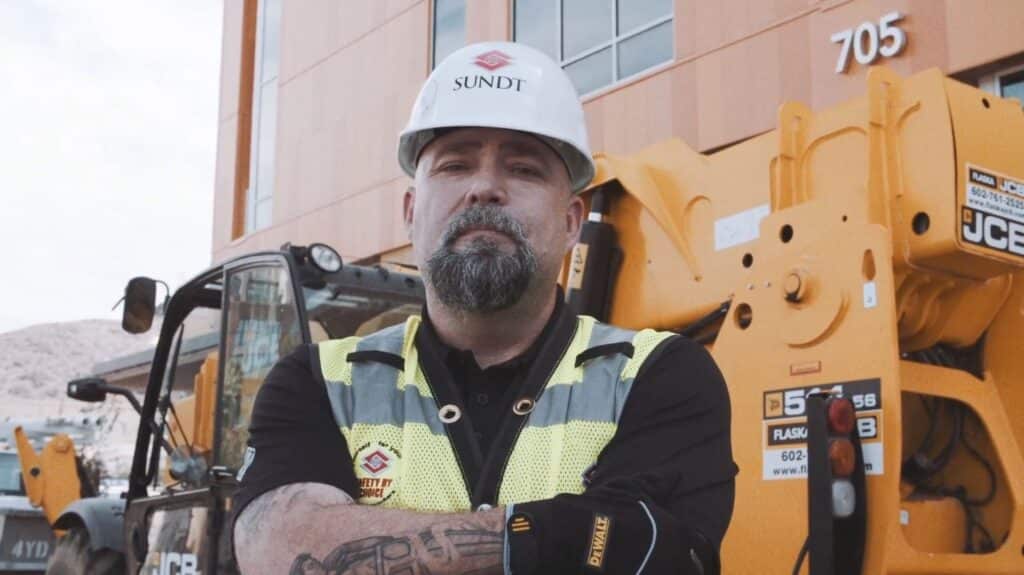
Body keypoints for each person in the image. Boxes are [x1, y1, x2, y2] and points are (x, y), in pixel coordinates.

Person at [232, 41, 737, 575]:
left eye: (524, 169)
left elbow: (662, 557)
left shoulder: (658, 376)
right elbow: (278, 552)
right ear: (410, 211)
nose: (485, 187)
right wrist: (564, 535)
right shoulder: (320, 383)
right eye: (455, 165)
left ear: (572, 222)